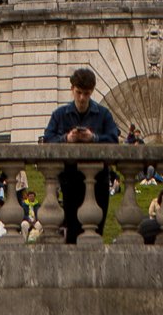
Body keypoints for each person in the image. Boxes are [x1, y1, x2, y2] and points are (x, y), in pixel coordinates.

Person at [40, 66, 119, 243]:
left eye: (86, 93)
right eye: (79, 93)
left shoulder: (104, 115)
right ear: (72, 89)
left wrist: (93, 138)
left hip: (98, 179)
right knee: (73, 231)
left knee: (97, 231)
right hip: (70, 179)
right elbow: (47, 141)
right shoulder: (59, 115)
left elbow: (114, 141)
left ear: (92, 92)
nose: (82, 98)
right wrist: (66, 139)